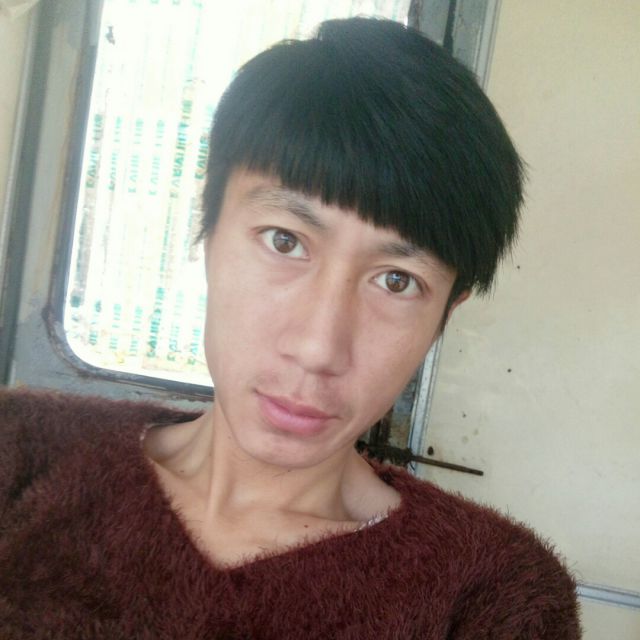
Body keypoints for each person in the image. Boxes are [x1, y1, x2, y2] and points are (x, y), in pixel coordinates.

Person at [0, 17, 580, 639]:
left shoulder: (493, 595)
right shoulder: (19, 451)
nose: (317, 347)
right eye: (284, 241)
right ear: (209, 228)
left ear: (446, 313)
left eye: (396, 280)